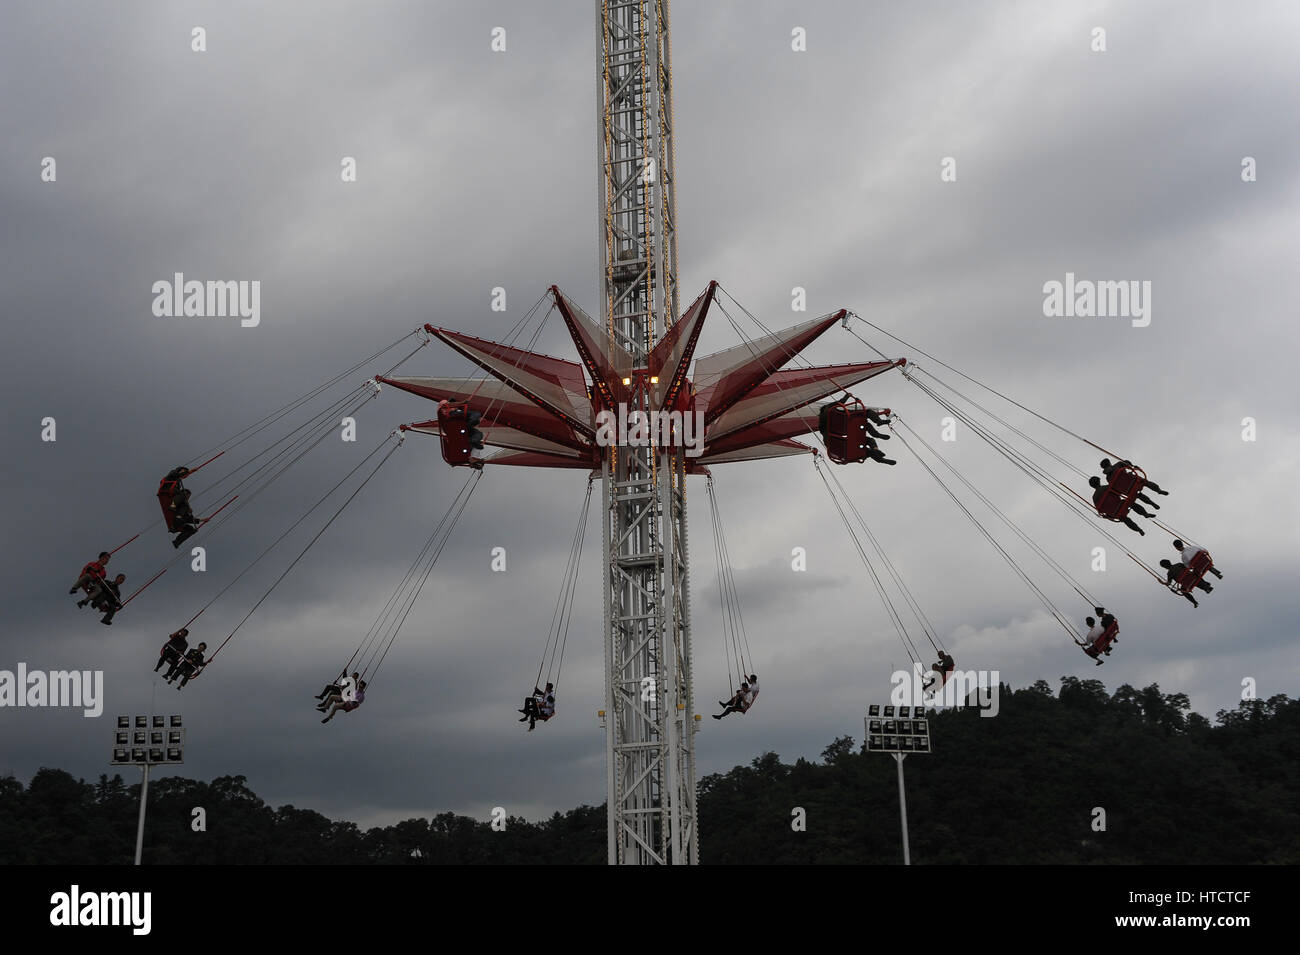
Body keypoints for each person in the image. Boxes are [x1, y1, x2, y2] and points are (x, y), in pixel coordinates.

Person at [1101, 459, 1169, 496]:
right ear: (1109, 463)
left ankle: (1147, 509)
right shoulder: (1118, 464)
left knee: (1137, 494)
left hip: (1126, 490)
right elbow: (1128, 465)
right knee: (1146, 482)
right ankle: (1158, 490)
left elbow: (1114, 487)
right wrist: (1132, 466)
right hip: (1132, 481)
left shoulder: (1108, 478)